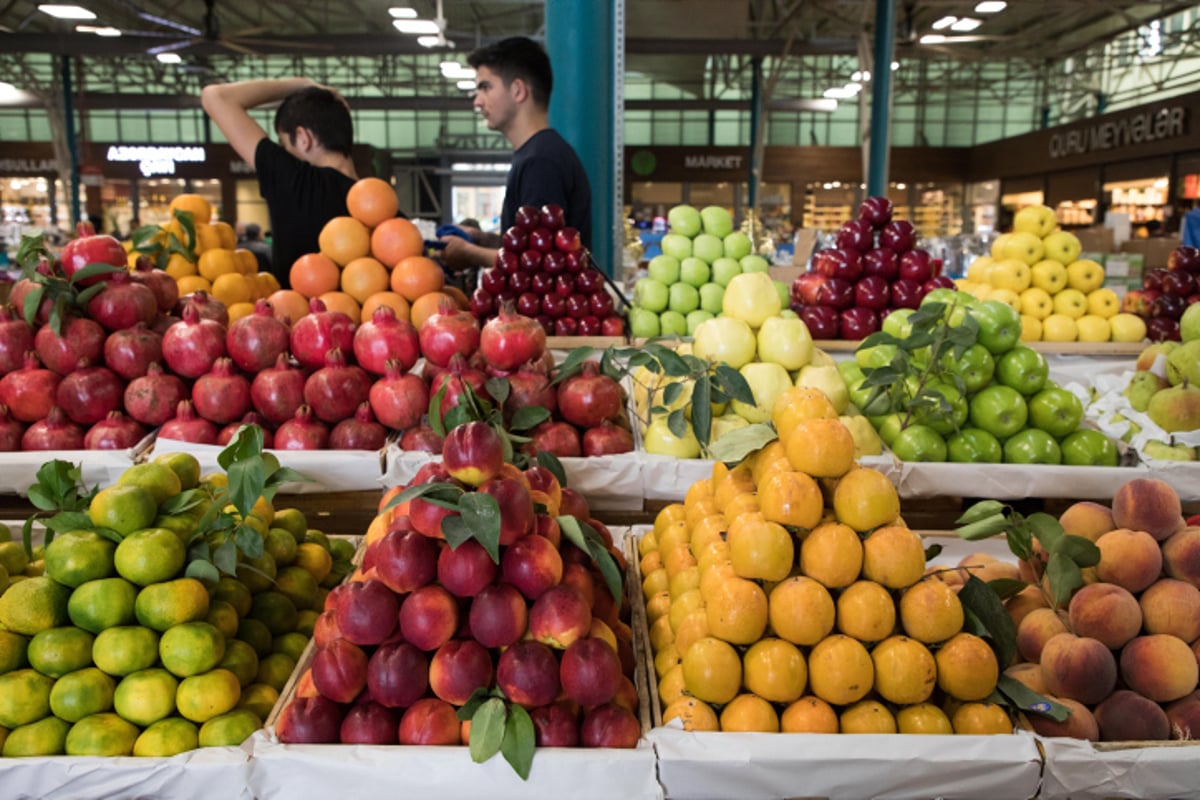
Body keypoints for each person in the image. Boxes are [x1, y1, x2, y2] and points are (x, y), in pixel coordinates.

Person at [440, 37, 592, 270]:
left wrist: (471, 253)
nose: (477, 102)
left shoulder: (541, 162)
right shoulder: (537, 153)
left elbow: (540, 265)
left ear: (518, 90)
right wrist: (483, 239)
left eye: (486, 87)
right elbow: (528, 246)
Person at [200, 78, 358, 288]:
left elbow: (216, 97)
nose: (284, 153)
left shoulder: (296, 181)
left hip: (296, 317)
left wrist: (305, 85)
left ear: (303, 138)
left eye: (284, 144)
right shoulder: (380, 206)